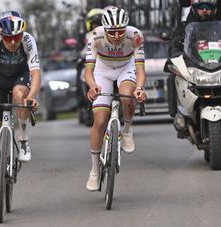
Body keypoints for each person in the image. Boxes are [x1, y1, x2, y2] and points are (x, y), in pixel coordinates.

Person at [0, 11, 41, 201]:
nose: (13, 42)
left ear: (23, 34)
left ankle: (22, 138)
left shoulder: (28, 41)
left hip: (20, 77)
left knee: (21, 94)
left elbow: (35, 74)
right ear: (1, 34)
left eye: (17, 37)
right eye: (8, 37)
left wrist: (32, 96)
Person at [84, 7, 147, 191]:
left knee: (128, 95)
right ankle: (95, 170)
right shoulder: (95, 35)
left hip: (125, 68)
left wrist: (140, 88)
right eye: (113, 32)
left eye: (121, 30)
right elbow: (88, 71)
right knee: (100, 119)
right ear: (105, 29)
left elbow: (141, 70)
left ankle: (127, 129)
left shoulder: (135, 35)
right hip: (102, 70)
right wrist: (92, 86)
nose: (118, 35)